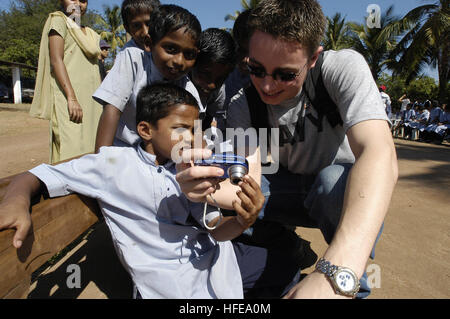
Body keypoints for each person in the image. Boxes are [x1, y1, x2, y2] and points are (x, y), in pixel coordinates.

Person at [175, 0, 398, 299]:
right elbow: (247, 178)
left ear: (314, 58)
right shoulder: (243, 102)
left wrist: (336, 270)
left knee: (332, 181)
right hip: (287, 189)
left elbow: (378, 151)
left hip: (334, 193)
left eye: (285, 74)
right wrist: (204, 190)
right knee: (244, 194)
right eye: (256, 69)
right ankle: (286, 250)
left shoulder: (341, 68)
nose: (267, 86)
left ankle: (350, 288)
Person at [0, 83, 302, 299]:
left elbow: (212, 232)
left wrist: (242, 221)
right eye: (182, 129)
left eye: (196, 129)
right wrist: (15, 200)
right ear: (145, 130)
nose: (194, 138)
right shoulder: (112, 165)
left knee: (287, 268)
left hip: (215, 263)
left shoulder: (186, 168)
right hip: (166, 284)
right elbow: (36, 174)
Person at [93, 4, 203, 151]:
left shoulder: (187, 87)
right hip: (122, 150)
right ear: (149, 44)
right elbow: (112, 109)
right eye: (171, 49)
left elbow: (196, 134)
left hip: (161, 160)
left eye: (189, 54)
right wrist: (101, 161)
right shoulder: (132, 60)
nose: (179, 61)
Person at [29, 0, 103, 164]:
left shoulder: (90, 34)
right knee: (71, 150)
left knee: (92, 149)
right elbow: (56, 60)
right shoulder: (58, 20)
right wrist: (71, 98)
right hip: (70, 99)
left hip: (93, 103)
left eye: (83, 0)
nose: (78, 4)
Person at [189, 28, 237, 131]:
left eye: (220, 78)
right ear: (193, 62)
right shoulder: (177, 82)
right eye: (205, 74)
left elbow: (206, 123)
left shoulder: (217, 92)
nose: (212, 85)